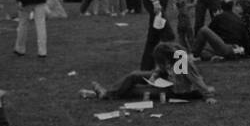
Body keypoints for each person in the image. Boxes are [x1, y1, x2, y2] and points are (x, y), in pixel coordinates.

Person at [81, 40, 215, 102]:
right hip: (168, 80)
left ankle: (103, 94)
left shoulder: (181, 61)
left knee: (135, 91)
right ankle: (105, 93)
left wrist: (207, 95)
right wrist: (155, 75)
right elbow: (160, 68)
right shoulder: (168, 55)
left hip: (177, 91)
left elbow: (195, 79)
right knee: (133, 76)